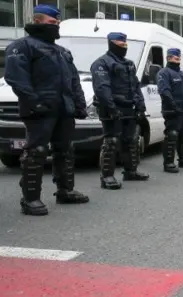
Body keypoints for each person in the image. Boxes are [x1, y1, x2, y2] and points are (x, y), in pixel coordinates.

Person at [4, 5, 90, 215]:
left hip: (64, 109)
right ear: (39, 21)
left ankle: (65, 191)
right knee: (36, 152)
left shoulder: (62, 52)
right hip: (40, 111)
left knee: (65, 150)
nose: (57, 26)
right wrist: (34, 102)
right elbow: (16, 78)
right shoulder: (22, 46)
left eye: (58, 23)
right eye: (53, 23)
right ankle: (31, 199)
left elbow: (73, 80)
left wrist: (79, 104)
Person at [91, 32, 149, 189]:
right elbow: (102, 88)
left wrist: (140, 106)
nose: (124, 47)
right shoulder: (102, 63)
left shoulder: (129, 64)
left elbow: (135, 86)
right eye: (120, 44)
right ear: (111, 43)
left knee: (130, 141)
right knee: (111, 142)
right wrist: (111, 108)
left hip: (128, 108)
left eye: (125, 44)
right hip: (112, 109)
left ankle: (131, 171)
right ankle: (107, 177)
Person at [156, 48, 183, 173]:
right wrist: (173, 105)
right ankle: (168, 163)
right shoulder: (164, 73)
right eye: (176, 58)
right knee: (172, 134)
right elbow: (164, 91)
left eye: (179, 58)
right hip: (172, 110)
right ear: (168, 58)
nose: (178, 60)